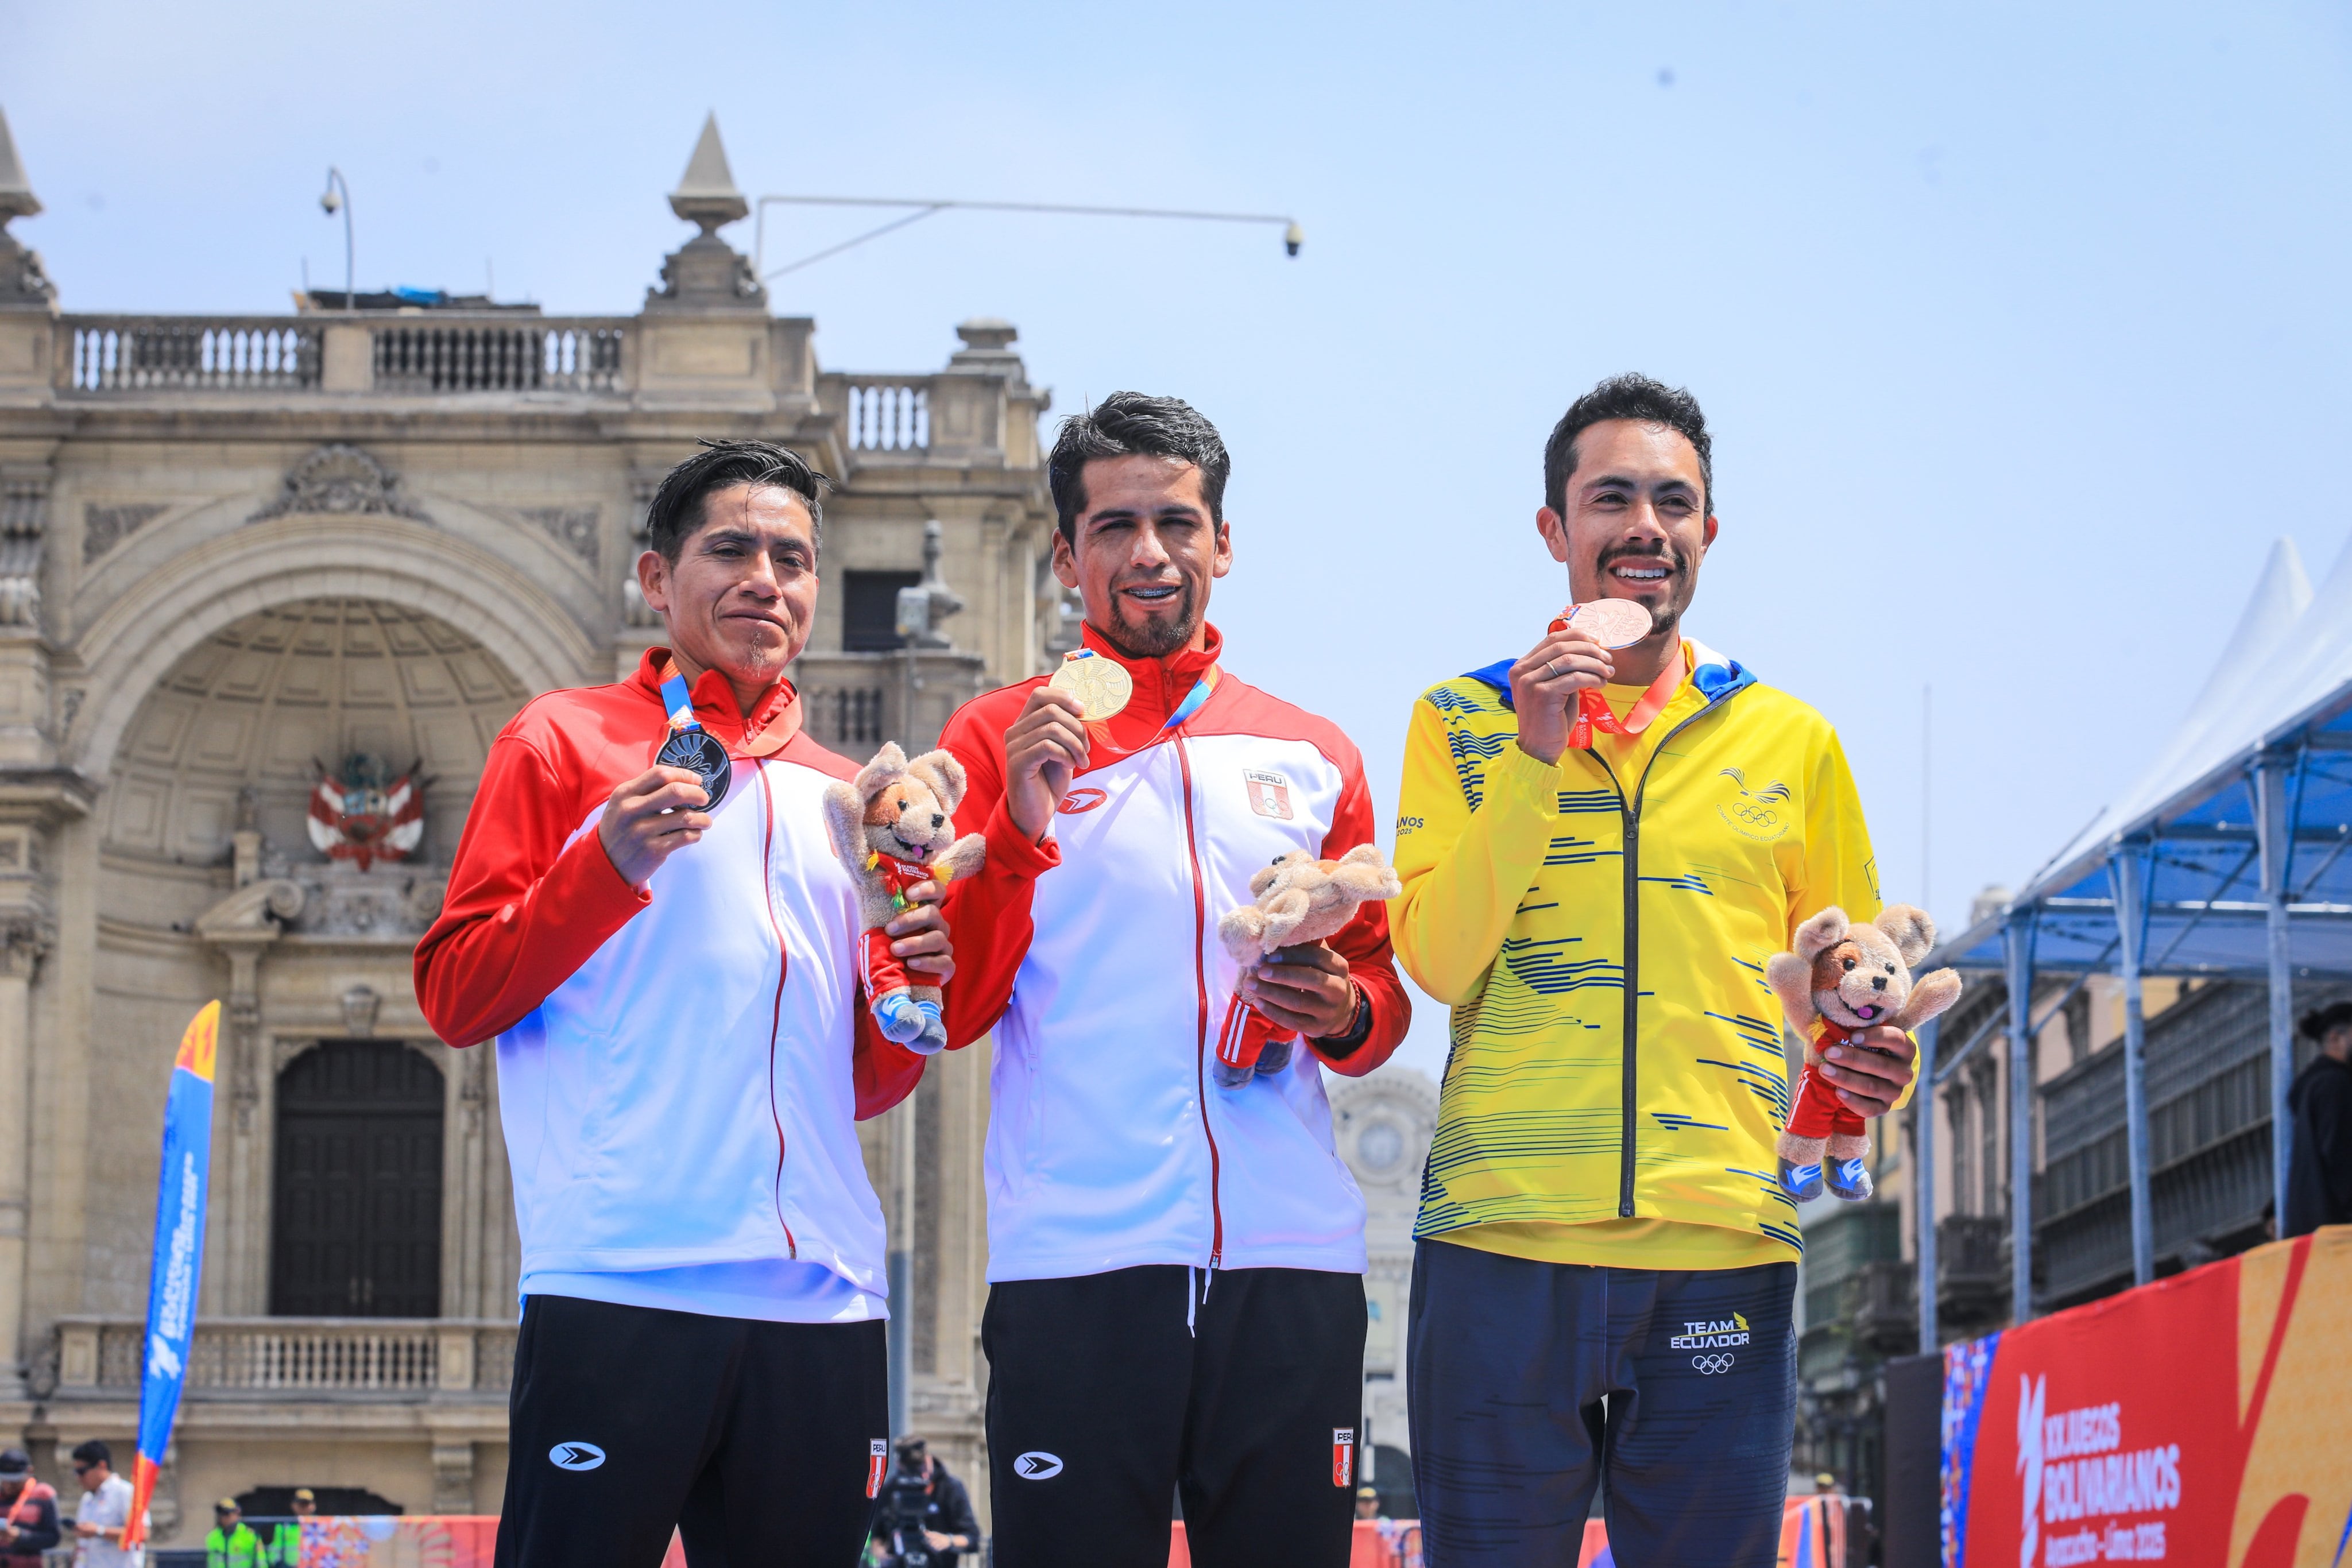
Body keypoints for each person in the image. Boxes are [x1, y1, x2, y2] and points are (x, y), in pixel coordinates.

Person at [1390, 374, 1918, 1567]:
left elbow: (1858, 975)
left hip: (1720, 1241)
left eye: (1671, 503)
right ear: (1553, 532)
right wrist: (1534, 756)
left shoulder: (1791, 739)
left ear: (1705, 534)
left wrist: (1880, 1058)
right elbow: (1433, 959)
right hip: (1499, 1243)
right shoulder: (1459, 719)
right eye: (1609, 497)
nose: (1642, 526)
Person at [412, 440, 956, 1568]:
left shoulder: (845, 798)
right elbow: (458, 992)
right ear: (657, 580)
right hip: (622, 1278)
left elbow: (856, 1084)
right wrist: (605, 860)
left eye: (794, 558)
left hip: (825, 1302)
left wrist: (910, 988)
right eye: (733, 548)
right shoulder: (562, 741)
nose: (768, 577)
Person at [938, 392, 1410, 1566]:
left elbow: (1379, 1003)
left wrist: (1343, 1009)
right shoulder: (994, 736)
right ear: (1065, 555)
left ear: (1222, 545)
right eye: (1113, 527)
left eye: (1176, 522)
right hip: (1078, 1261)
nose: (1148, 553)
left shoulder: (1311, 750)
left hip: (1287, 1259)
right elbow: (950, 1007)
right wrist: (1014, 825)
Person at [2284, 999, 2352, 1236]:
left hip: (2316, 1229)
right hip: (2339, 1231)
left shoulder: (2313, 1087)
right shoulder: (2336, 1085)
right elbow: (2341, 1154)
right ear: (2335, 1038)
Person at [873, 1437, 979, 1567]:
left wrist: (947, 1541)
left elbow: (972, 1538)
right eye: (914, 1469)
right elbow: (876, 1535)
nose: (921, 1475)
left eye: (922, 1466)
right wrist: (881, 1552)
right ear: (901, 1465)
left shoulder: (951, 1488)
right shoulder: (891, 1489)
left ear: (928, 1458)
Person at [68, 1441, 137, 1568]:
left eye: (82, 1471)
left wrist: (99, 1531)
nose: (79, 1478)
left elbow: (141, 1533)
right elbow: (81, 1545)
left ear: (101, 1466)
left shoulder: (125, 1492)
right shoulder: (87, 1499)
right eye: (76, 1472)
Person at [0, 1451, 58, 1568]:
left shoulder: (43, 1494)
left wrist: (20, 1536)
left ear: (30, 1471)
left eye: (16, 1479)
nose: (10, 1484)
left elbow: (53, 1537)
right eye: (6, 1479)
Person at [261, 1488, 313, 1568]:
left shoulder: (323, 1527)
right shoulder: (283, 1526)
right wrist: (279, 1564)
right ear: (293, 1505)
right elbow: (275, 1552)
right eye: (300, 1504)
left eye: (306, 1504)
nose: (303, 1507)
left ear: (313, 1506)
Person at [204, 1501, 262, 1568]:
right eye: (221, 1514)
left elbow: (261, 1562)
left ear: (237, 1515)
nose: (223, 1518)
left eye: (227, 1514)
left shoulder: (250, 1535)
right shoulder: (212, 1537)